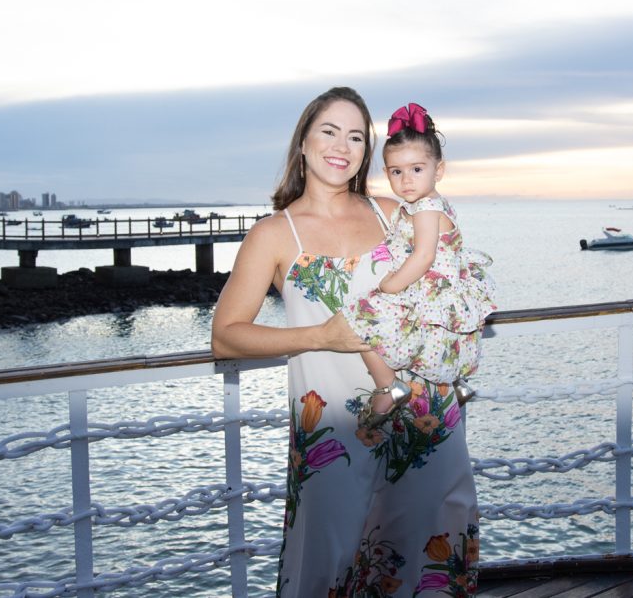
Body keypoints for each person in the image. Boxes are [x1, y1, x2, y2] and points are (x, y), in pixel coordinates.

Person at [212, 87, 479, 596]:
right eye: (329, 131)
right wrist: (320, 336)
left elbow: (445, 273)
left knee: (427, 554)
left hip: (424, 415)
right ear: (304, 144)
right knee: (329, 560)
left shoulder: (393, 212)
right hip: (335, 431)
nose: (342, 145)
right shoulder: (272, 234)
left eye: (356, 136)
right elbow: (225, 337)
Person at [342, 102, 496, 429]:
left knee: (357, 318)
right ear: (386, 173)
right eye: (397, 172)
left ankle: (388, 387)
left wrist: (390, 285)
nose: (406, 180)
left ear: (437, 170)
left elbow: (423, 256)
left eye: (416, 169)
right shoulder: (425, 203)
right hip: (438, 286)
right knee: (442, 339)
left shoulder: (425, 207)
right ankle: (458, 382)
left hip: (426, 285)